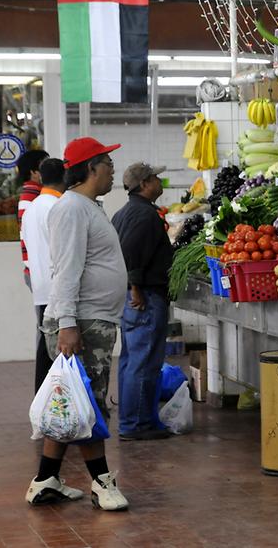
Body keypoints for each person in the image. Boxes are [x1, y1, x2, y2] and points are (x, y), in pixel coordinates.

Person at [26, 137, 129, 511]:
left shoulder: (88, 206)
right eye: (107, 163)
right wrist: (68, 323)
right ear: (90, 168)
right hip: (81, 322)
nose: (112, 169)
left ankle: (46, 480)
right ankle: (102, 483)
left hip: (92, 319)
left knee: (70, 402)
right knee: (88, 404)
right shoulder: (71, 209)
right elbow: (65, 272)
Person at [111, 163, 173, 441]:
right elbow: (130, 255)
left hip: (134, 294)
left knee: (131, 359)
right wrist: (135, 287)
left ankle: (135, 420)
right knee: (143, 359)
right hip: (144, 296)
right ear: (146, 183)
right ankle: (136, 424)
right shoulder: (145, 215)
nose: (160, 182)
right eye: (156, 178)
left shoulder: (123, 213)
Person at [20, 158, 66, 393]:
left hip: (40, 289)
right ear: (64, 177)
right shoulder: (57, 207)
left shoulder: (32, 208)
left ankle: (44, 402)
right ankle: (58, 407)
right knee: (60, 353)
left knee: (45, 352)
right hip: (58, 290)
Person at [17, 149, 49, 287]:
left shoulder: (34, 194)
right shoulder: (32, 197)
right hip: (38, 272)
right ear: (34, 172)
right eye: (45, 166)